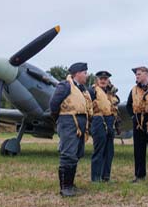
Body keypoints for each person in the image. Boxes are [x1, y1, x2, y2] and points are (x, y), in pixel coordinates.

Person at [49, 62, 93, 197]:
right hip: (69, 120)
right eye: (85, 73)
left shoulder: (82, 89)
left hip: (80, 122)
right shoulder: (65, 86)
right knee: (68, 153)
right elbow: (53, 104)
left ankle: (71, 184)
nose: (86, 75)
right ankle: (65, 187)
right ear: (77, 73)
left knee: (76, 154)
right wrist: (62, 119)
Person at [88, 71, 120, 182]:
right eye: (101, 78)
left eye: (105, 79)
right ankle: (95, 178)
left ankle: (106, 176)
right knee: (99, 150)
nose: (103, 80)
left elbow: (116, 105)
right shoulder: (91, 91)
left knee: (109, 151)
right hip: (98, 120)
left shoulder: (111, 93)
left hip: (110, 120)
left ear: (108, 80)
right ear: (97, 80)